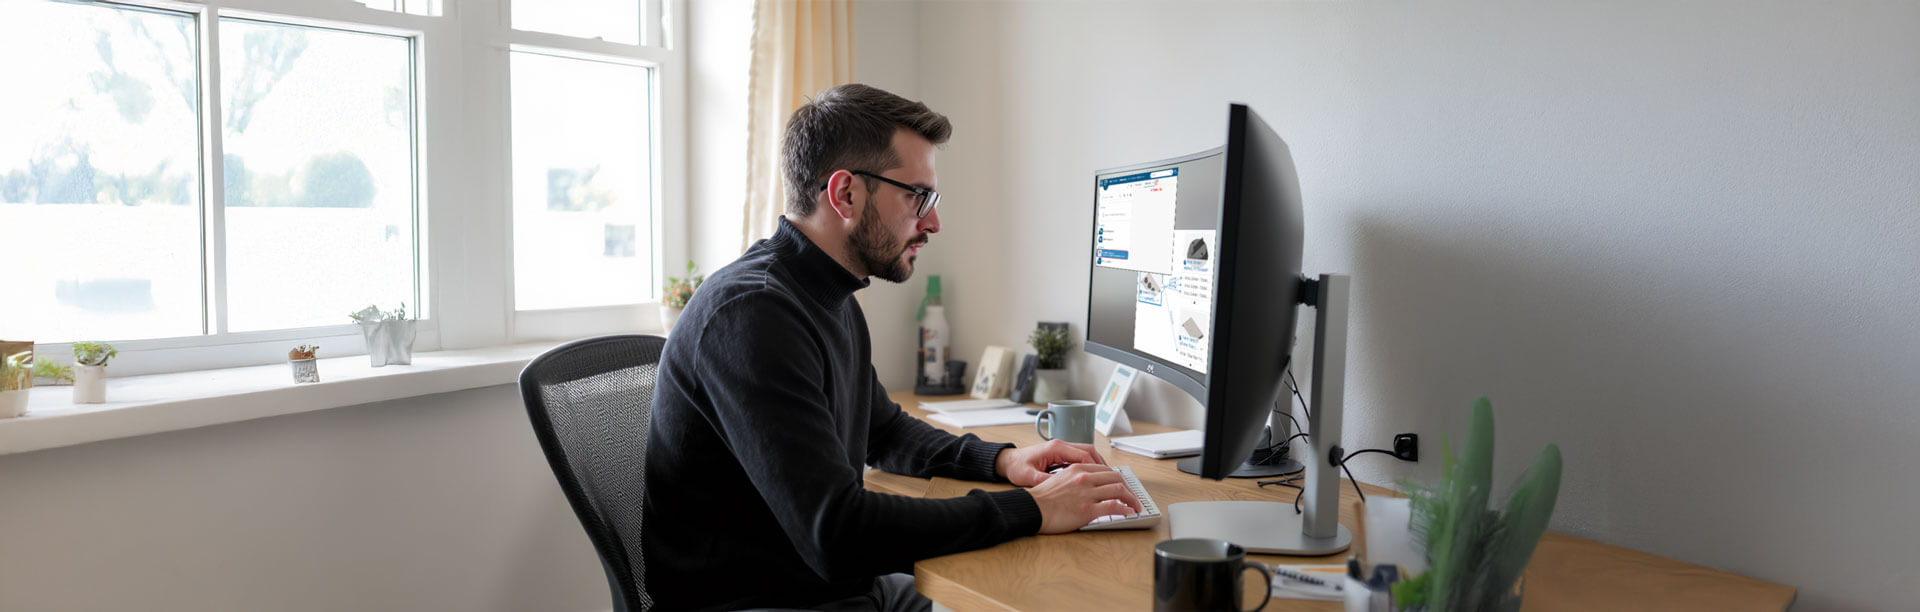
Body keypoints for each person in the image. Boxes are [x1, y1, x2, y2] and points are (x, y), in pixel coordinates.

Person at [645, 83, 1143, 611]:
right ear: (845, 194)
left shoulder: (828, 296)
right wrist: (1032, 509)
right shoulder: (752, 314)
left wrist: (1004, 461)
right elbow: (837, 533)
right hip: (765, 601)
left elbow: (881, 431)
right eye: (917, 196)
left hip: (834, 589)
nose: (933, 222)